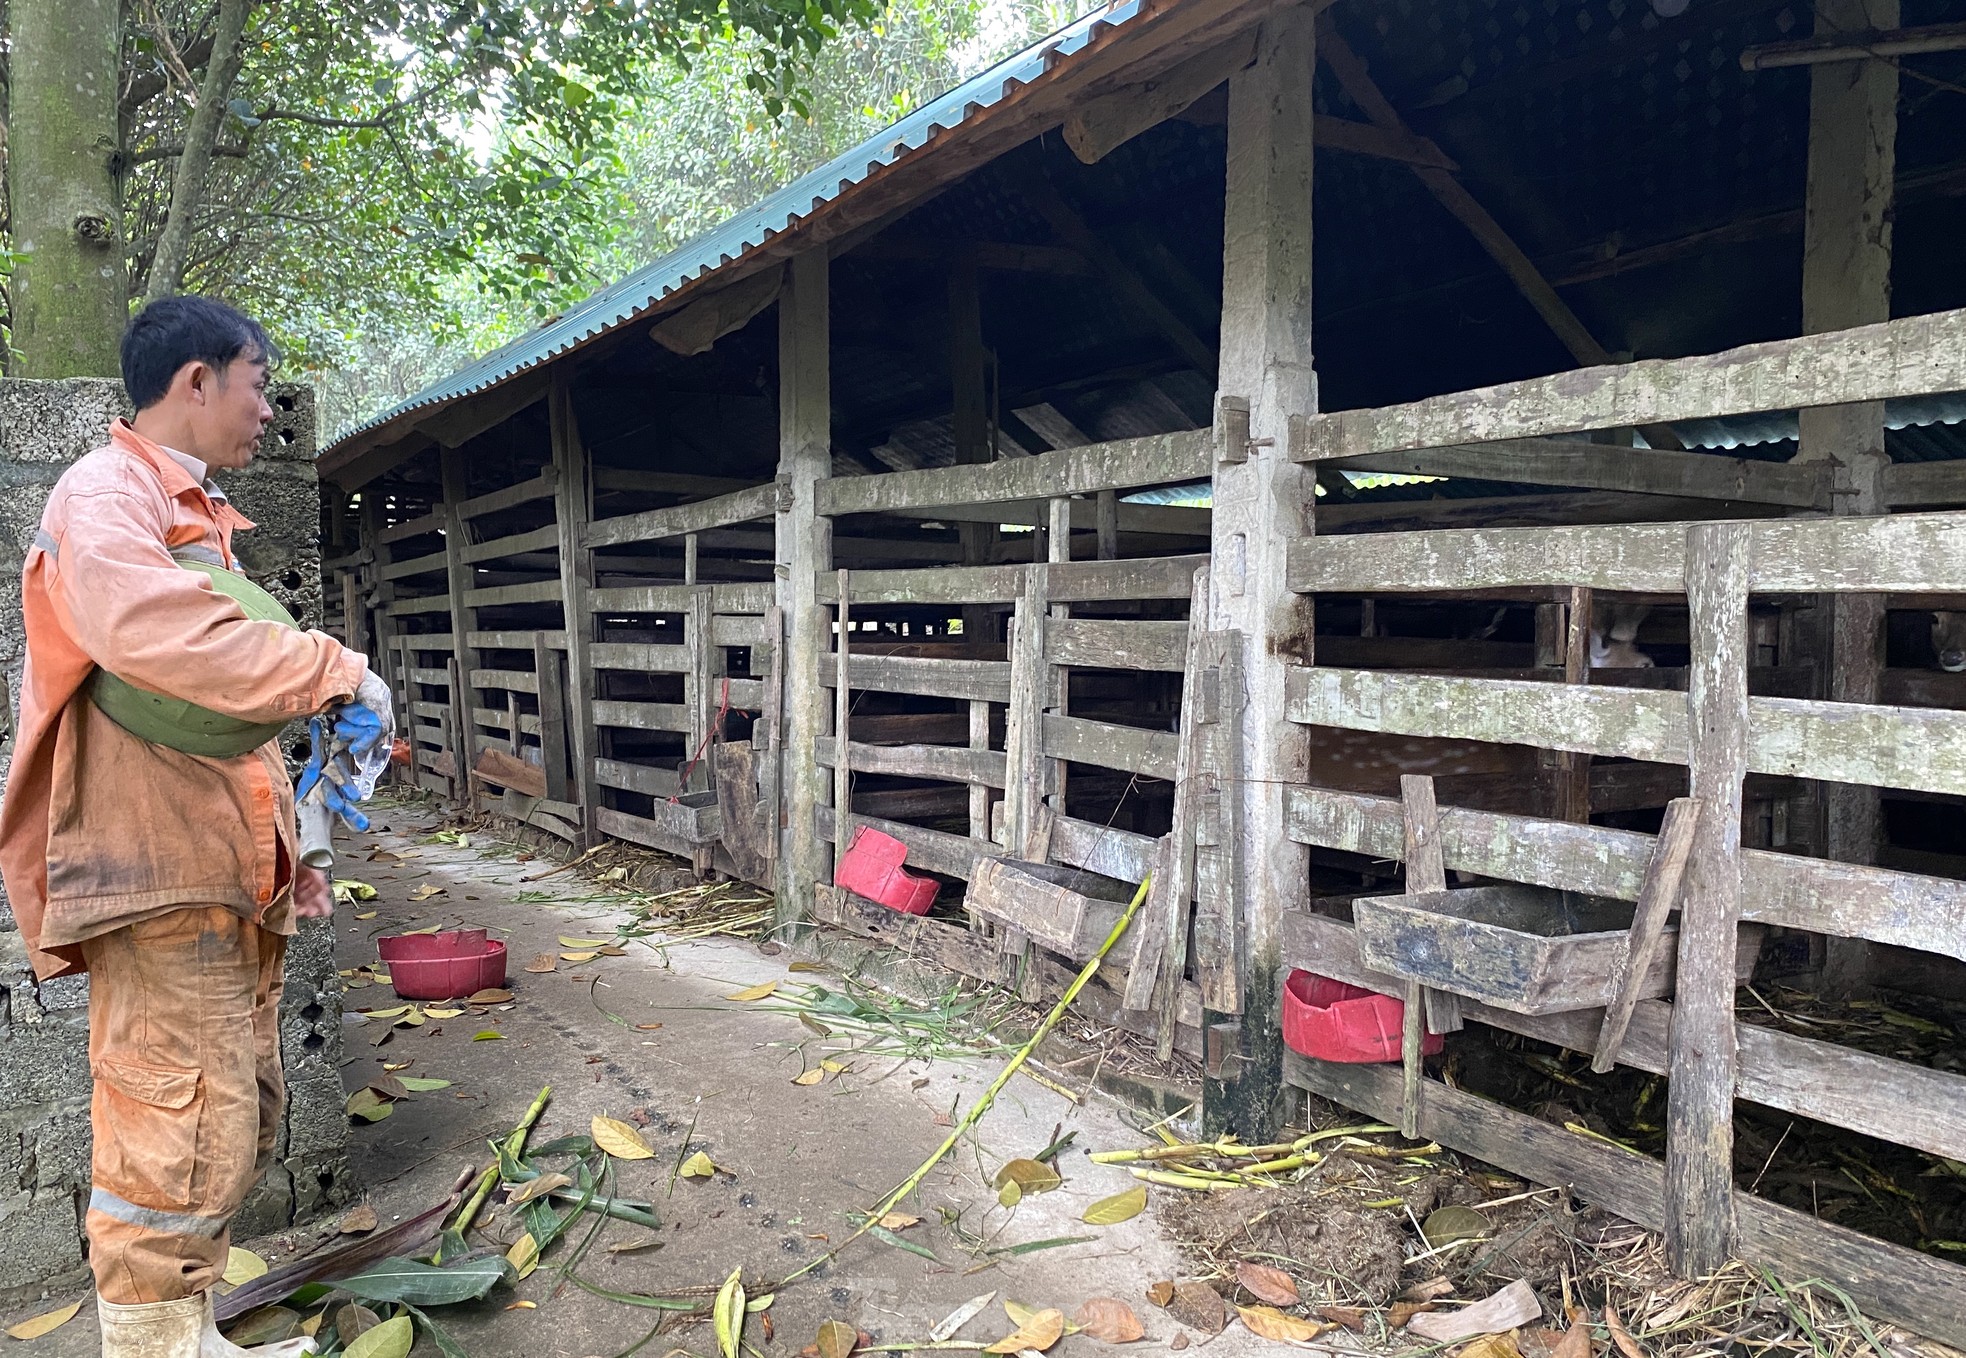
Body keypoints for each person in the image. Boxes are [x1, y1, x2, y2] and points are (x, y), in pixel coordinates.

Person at [0, 296, 390, 1357]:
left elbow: (217, 722)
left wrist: (296, 850)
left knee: (222, 1114)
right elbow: (155, 636)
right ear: (198, 380)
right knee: (175, 1123)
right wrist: (335, 667)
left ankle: (179, 1333)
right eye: (259, 381)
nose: (268, 407)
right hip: (152, 869)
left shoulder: (192, 514)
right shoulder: (103, 496)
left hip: (211, 870)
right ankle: (153, 1346)